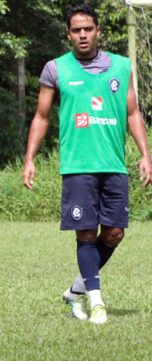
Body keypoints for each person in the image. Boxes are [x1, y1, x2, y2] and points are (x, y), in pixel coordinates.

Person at [21, 4, 152, 324]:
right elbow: (41, 116)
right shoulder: (56, 69)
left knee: (115, 234)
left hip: (114, 165)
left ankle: (76, 290)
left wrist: (146, 154)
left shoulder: (121, 67)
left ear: (98, 32)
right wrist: (30, 158)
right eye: (76, 30)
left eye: (88, 29)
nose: (82, 35)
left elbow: (133, 113)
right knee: (86, 235)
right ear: (68, 34)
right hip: (78, 167)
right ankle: (96, 301)